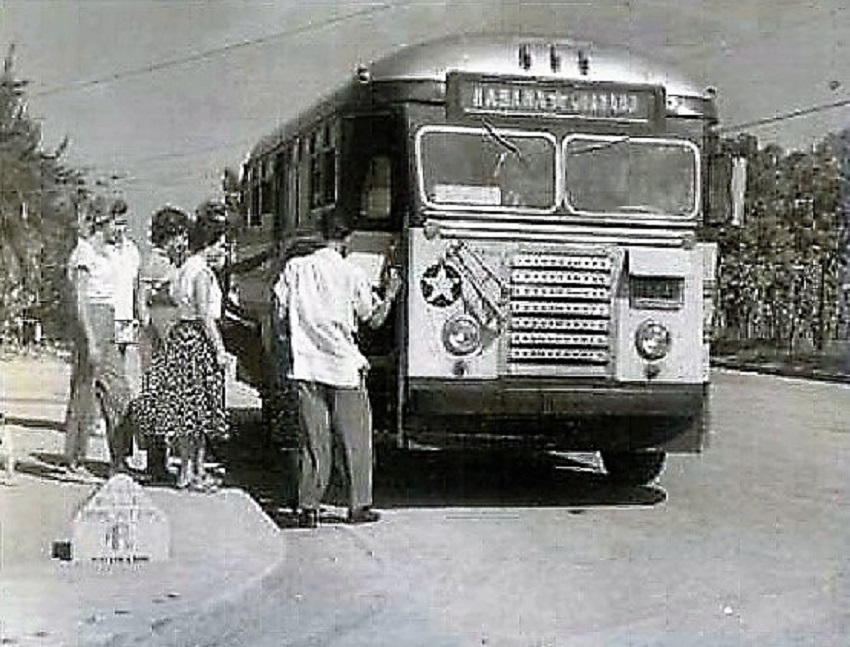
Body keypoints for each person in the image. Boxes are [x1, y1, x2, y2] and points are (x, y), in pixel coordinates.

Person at [272, 213, 402, 528]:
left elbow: (279, 312)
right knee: (354, 437)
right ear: (346, 240)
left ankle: (308, 506)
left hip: (307, 365)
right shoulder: (352, 273)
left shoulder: (295, 268)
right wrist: (391, 292)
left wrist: (291, 342)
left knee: (313, 439)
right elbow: (373, 319)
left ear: (320, 235)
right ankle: (358, 505)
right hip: (344, 366)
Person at [137, 200, 229, 491]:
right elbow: (204, 315)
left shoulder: (183, 269)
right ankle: (190, 473)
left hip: (181, 337)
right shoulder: (201, 272)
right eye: (221, 246)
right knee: (197, 412)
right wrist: (219, 349)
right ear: (210, 244)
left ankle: (192, 471)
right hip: (196, 340)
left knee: (186, 409)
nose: (223, 252)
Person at [64, 196, 133, 479]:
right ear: (103, 222)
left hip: (107, 319)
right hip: (90, 321)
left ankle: (120, 459)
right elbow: (80, 299)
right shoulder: (84, 254)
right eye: (118, 223)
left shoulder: (107, 253)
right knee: (84, 393)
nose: (122, 229)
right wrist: (91, 339)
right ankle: (74, 461)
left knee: (119, 393)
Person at [134, 205, 191, 482]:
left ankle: (159, 460)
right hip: (158, 332)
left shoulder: (164, 262)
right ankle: (156, 462)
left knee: (161, 397)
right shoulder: (156, 262)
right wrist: (152, 333)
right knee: (158, 397)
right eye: (180, 235)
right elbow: (142, 301)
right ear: (171, 235)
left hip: (162, 330)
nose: (183, 241)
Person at [107, 197, 143, 397]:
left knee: (120, 366)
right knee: (104, 368)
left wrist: (138, 313)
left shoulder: (132, 250)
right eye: (116, 223)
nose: (120, 229)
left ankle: (112, 410)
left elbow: (136, 284)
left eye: (123, 223)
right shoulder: (100, 249)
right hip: (105, 314)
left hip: (125, 315)